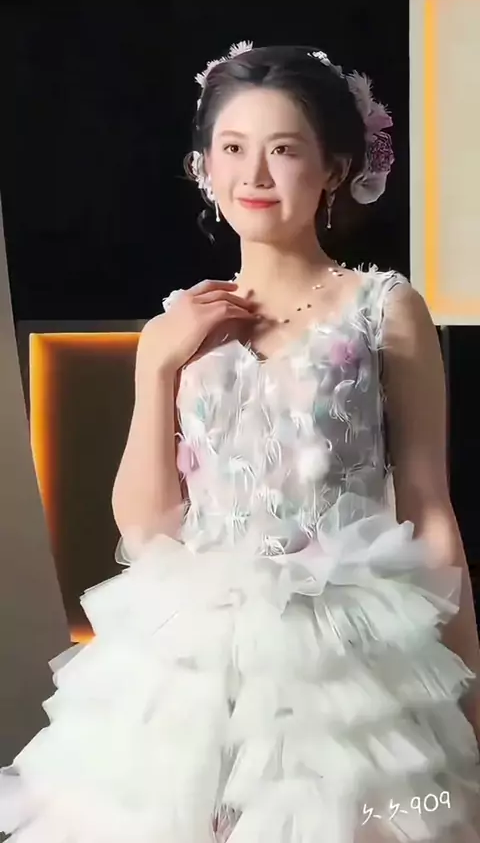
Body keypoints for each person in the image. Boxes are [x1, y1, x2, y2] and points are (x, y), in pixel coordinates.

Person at [0, 41, 479, 843]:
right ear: (203, 167)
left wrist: (467, 686)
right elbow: (146, 528)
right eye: (232, 149)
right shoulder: (182, 320)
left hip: (347, 654)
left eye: (283, 150)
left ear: (334, 168)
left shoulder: (383, 307)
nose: (254, 174)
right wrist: (157, 363)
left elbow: (430, 507)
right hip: (194, 653)